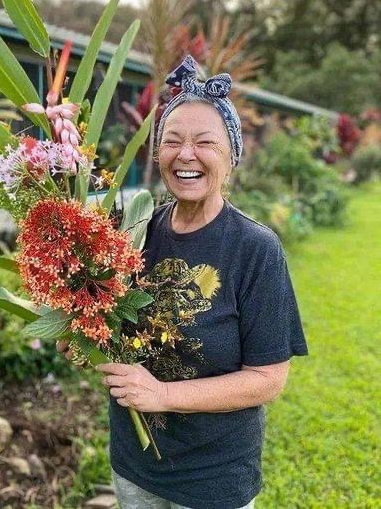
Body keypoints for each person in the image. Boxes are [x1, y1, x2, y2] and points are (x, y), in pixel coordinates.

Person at [59, 55, 309, 509]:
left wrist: (162, 394)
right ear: (158, 154)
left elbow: (268, 380)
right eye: (171, 141)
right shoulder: (135, 232)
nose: (186, 154)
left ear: (231, 156)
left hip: (213, 477)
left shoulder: (255, 249)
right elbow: (110, 327)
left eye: (205, 142)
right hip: (135, 466)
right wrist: (80, 332)